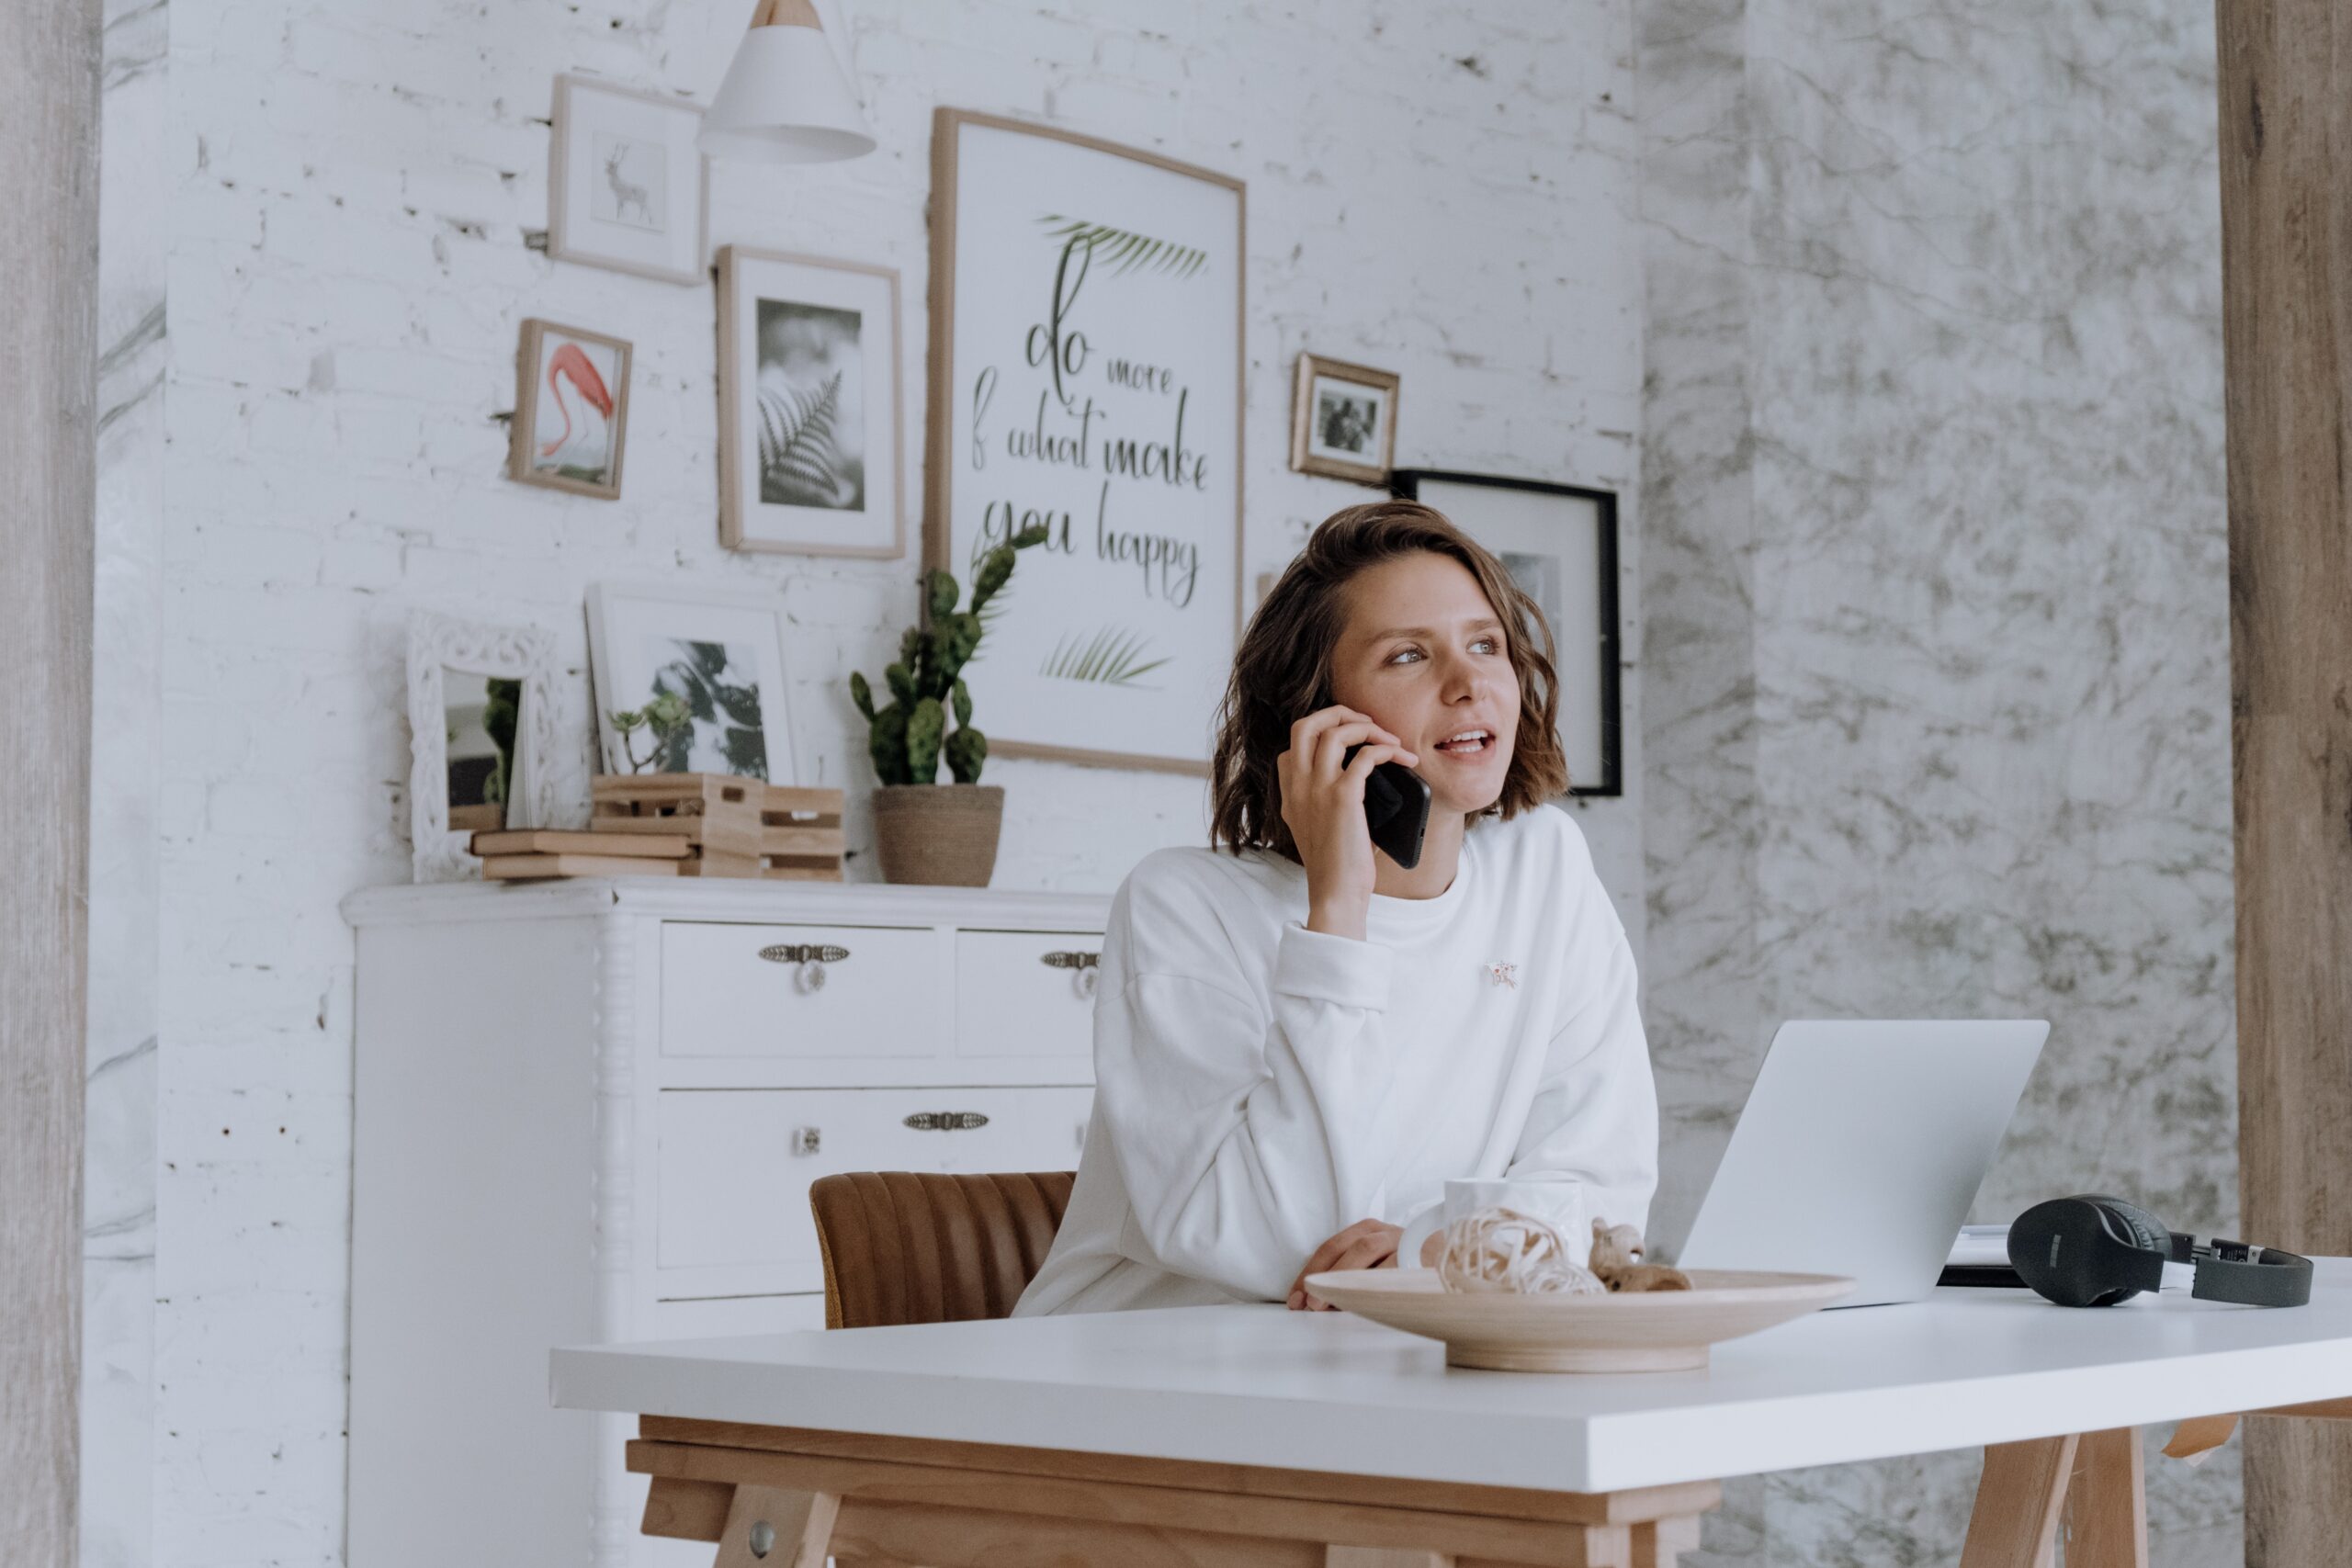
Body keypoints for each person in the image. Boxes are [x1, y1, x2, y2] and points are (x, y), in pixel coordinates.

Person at [1012, 500, 1658, 1316]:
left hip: (1397, 1352)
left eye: (1486, 644)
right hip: (1146, 1370)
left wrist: (1428, 1251)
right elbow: (1283, 1241)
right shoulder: (1180, 906)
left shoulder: (1548, 869)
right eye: (1409, 656)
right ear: (1316, 715)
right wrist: (1338, 909)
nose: (1468, 685)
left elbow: (1603, 1194)